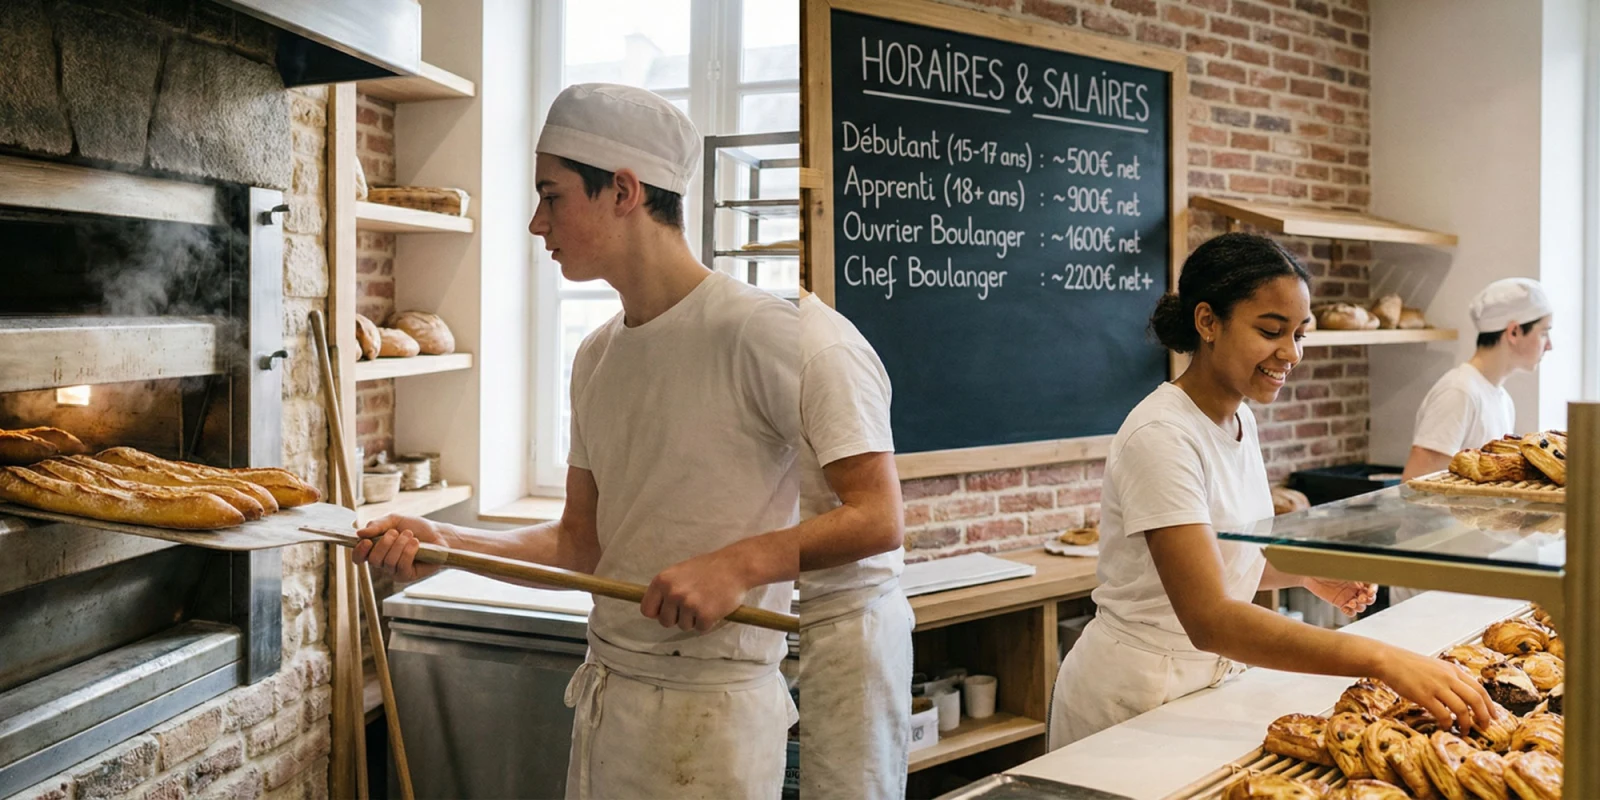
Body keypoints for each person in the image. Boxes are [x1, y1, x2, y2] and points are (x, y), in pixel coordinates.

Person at [354, 83, 801, 799]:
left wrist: (741, 565)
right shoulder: (596, 356)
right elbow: (578, 547)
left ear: (623, 190)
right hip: (610, 708)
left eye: (551, 195)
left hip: (714, 722)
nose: (536, 223)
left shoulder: (758, 332)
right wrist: (440, 540)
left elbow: (875, 517)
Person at [1047, 232, 1493, 750]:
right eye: (1271, 330)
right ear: (1208, 322)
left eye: (1300, 334)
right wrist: (1382, 658)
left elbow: (1224, 554)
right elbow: (1210, 617)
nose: (1291, 353)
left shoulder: (1240, 418)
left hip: (1204, 688)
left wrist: (1304, 569)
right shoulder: (1161, 436)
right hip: (1133, 699)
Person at [640, 285, 913, 798]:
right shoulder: (721, 336)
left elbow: (878, 519)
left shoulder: (825, 350)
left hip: (836, 638)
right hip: (750, 633)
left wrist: (737, 564)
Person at [1401, 278, 1554, 481]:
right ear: (1514, 332)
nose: (1549, 345)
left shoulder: (1501, 399)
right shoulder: (1459, 392)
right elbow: (1417, 488)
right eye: (1544, 333)